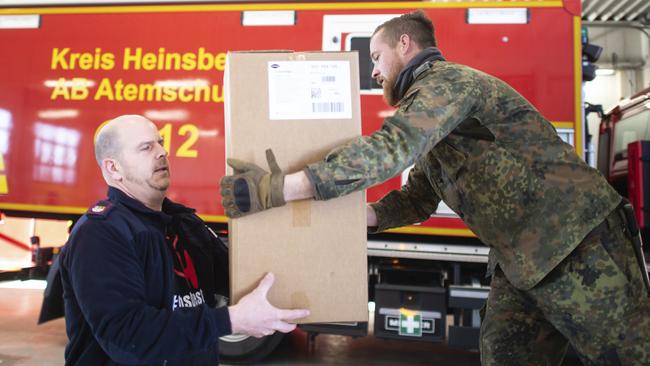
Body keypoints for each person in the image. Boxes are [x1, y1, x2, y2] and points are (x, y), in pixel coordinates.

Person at [220, 10, 650, 366]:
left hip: (578, 242)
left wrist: (278, 189)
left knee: (627, 357)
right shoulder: (436, 123)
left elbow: (393, 147)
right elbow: (416, 199)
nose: (373, 69)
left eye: (376, 56)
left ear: (405, 45)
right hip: (521, 262)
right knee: (505, 354)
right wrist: (337, 218)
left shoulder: (449, 84)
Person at [59, 115, 309, 365]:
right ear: (113, 168)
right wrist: (231, 320)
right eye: (146, 147)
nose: (162, 152)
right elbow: (130, 337)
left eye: (160, 142)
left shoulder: (183, 224)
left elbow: (240, 278)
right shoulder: (101, 234)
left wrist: (271, 202)